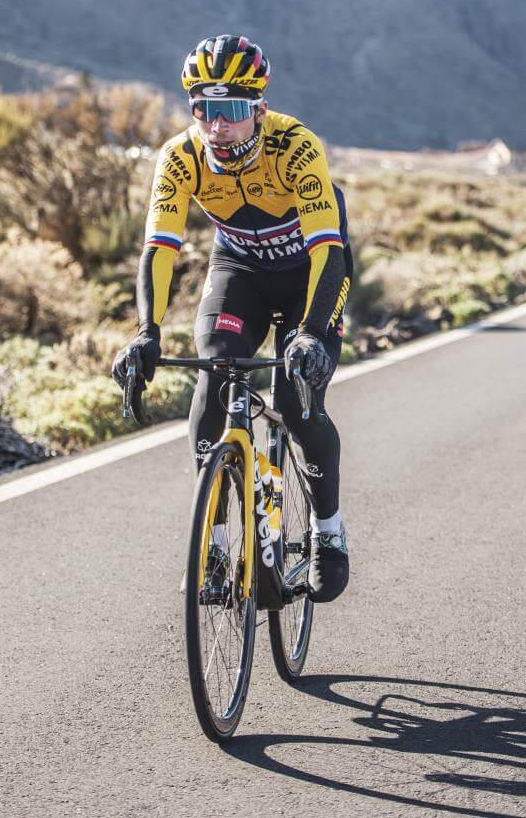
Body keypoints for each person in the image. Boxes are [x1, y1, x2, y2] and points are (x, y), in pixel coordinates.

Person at [111, 34, 353, 602]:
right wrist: (146, 332)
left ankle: (328, 532)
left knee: (297, 400)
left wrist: (312, 334)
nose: (216, 126)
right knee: (213, 379)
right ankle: (216, 548)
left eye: (232, 111)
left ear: (259, 110)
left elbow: (329, 251)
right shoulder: (181, 156)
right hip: (239, 267)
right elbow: (159, 250)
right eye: (204, 110)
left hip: (309, 275)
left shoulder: (296, 146)